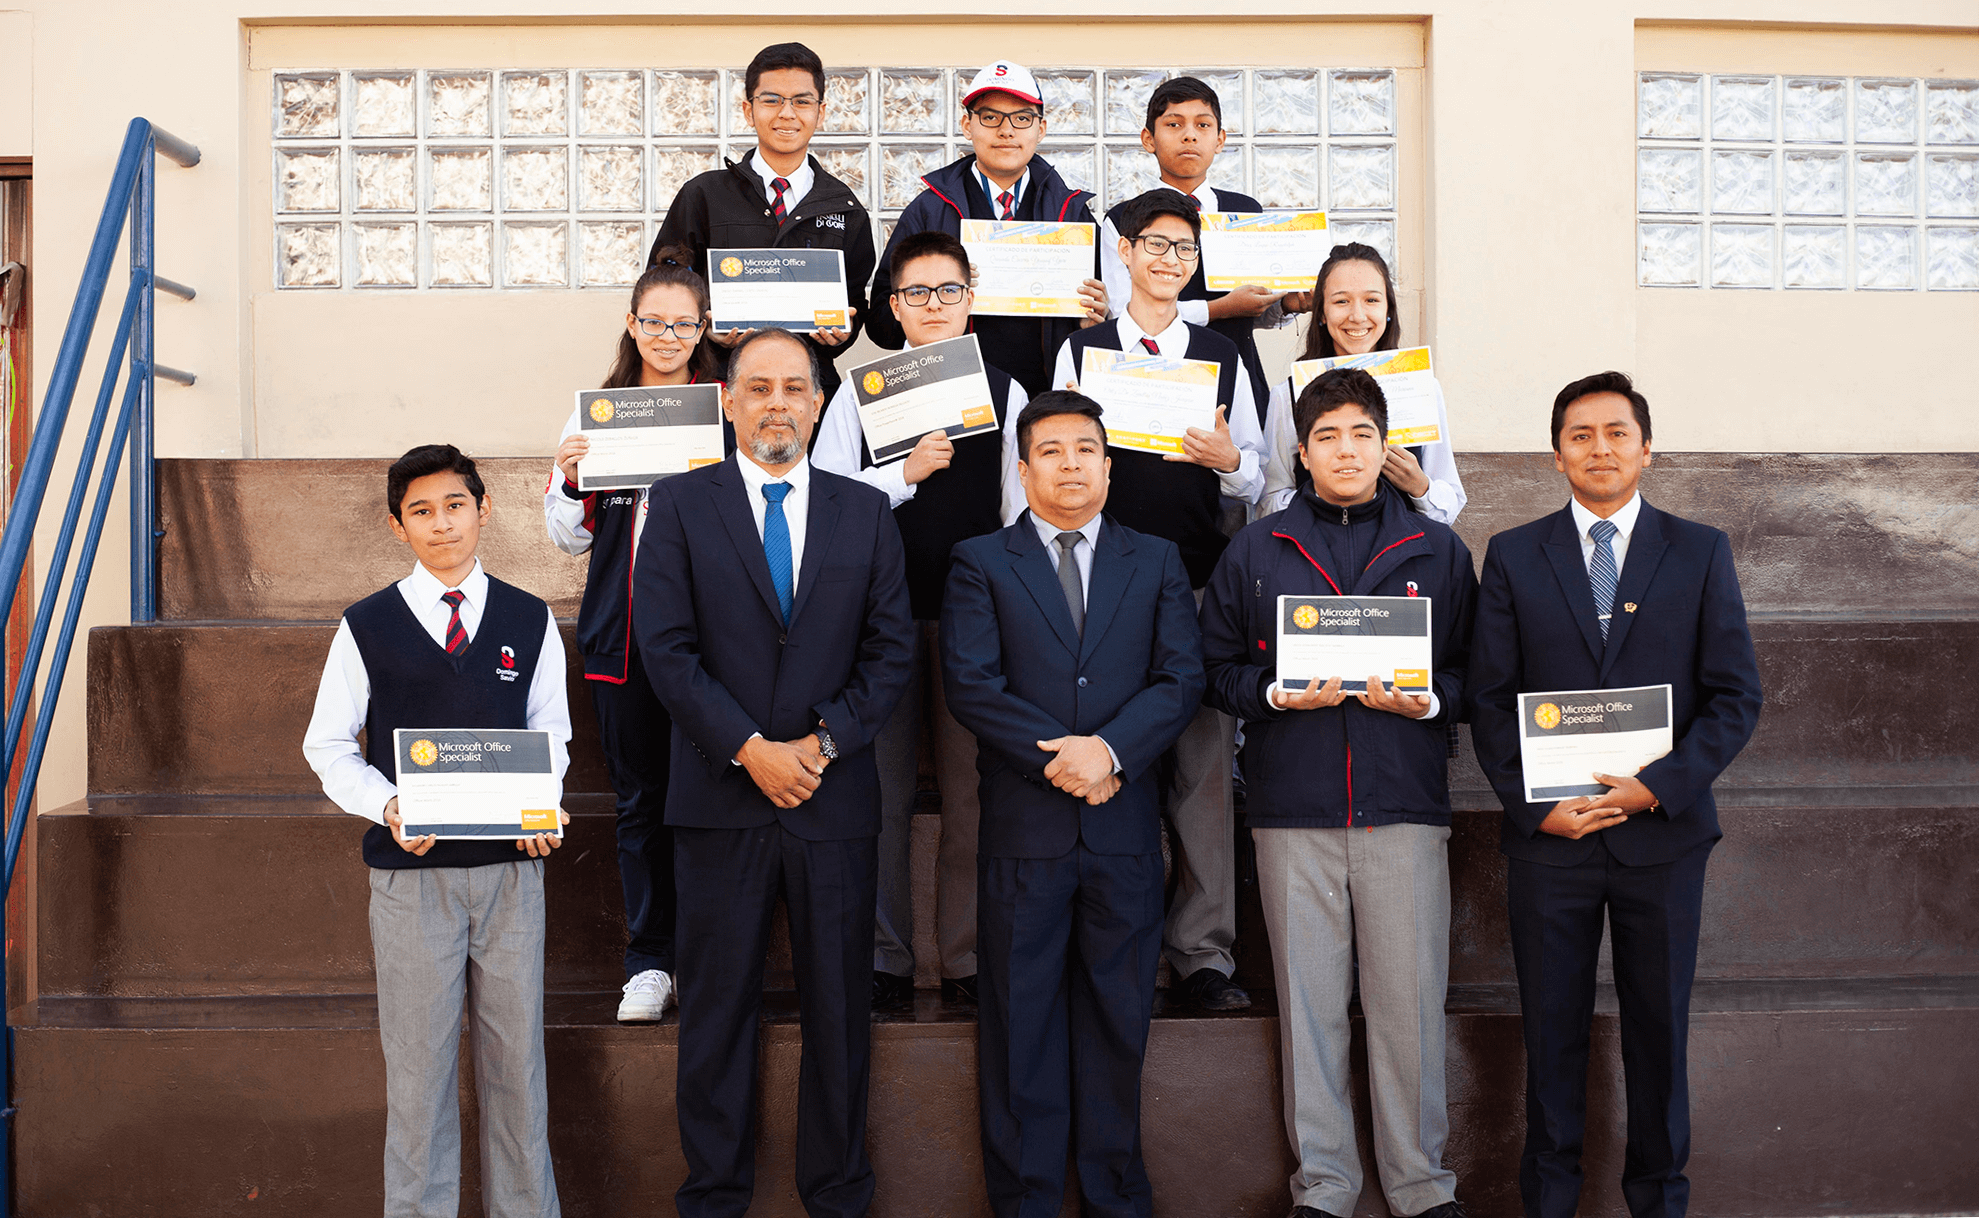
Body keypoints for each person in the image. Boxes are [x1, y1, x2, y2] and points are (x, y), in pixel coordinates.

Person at [634, 327, 914, 1218]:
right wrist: (750, 748)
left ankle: (837, 1194)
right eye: (758, 388)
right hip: (721, 798)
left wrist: (820, 747)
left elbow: (891, 650)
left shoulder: (864, 510)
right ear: (728, 402)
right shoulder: (679, 505)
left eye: (795, 387)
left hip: (834, 800)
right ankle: (713, 1197)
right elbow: (665, 649)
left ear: (820, 403)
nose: (777, 404)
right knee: (716, 1015)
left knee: (840, 1015)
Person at [1468, 372, 1762, 1218]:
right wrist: (1535, 808)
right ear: (1555, 455)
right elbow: (1489, 698)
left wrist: (1653, 789)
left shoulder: (1698, 549)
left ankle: (1659, 1202)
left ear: (1645, 448)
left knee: (1657, 1037)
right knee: (1549, 1036)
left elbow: (1734, 696)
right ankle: (1548, 1202)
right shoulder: (1513, 554)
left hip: (1660, 840)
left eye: (1615, 432)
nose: (1599, 448)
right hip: (1551, 842)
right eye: (1580, 435)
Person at [1198, 369, 1475, 1218]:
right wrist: (1273, 693)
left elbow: (1475, 674)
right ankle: (1323, 1186)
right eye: (1327, 436)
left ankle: (1420, 1186)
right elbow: (1214, 669)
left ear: (1386, 447)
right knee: (1308, 1008)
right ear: (1302, 452)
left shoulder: (1438, 551)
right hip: (1293, 810)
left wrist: (1428, 700)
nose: (1345, 451)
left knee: (1408, 1009)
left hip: (1403, 809)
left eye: (1361, 434)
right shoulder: (1256, 550)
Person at [940, 390, 1204, 1218]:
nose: (1070, 465)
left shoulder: (1155, 559)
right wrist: (1067, 759)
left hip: (1122, 828)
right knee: (1019, 1028)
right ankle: (1025, 1200)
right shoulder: (980, 561)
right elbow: (972, 685)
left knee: (1117, 1025)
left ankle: (1114, 1197)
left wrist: (1109, 751)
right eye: (1050, 451)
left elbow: (1180, 678)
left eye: (1085, 449)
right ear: (1022, 471)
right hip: (1025, 832)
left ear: (1108, 465)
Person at [303, 444, 572, 1218]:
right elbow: (327, 745)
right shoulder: (367, 625)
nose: (441, 523)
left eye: (455, 505)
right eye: (420, 511)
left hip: (511, 872)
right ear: (398, 526)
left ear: (483, 510)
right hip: (411, 880)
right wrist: (389, 804)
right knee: (419, 1077)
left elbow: (551, 734)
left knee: (518, 1072)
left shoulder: (527, 618)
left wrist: (542, 805)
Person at [1033, 185, 1263, 1012]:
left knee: (1201, 770)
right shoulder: (1082, 349)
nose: (1170, 260)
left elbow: (1259, 478)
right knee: (1108, 754)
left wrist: (1226, 460)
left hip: (1198, 582)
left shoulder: (1222, 354)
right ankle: (1108, 941)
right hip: (1102, 587)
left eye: (1184, 249)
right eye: (1155, 245)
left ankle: (1203, 956)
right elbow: (1055, 459)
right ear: (1124, 252)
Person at [812, 229, 1028, 1011]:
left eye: (948, 291)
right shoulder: (859, 392)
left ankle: (966, 957)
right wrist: (901, 476)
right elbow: (826, 504)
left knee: (972, 793)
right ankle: (883, 959)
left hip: (975, 621)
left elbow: (1019, 515)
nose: (933, 306)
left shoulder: (1005, 392)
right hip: (879, 621)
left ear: (971, 301)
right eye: (915, 293)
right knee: (880, 793)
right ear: (893, 307)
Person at [544, 247, 720, 1023]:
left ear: (702, 328)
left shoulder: (724, 409)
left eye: (683, 324)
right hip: (622, 643)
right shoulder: (599, 413)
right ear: (631, 323)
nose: (668, 336)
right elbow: (567, 538)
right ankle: (649, 962)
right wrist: (570, 478)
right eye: (654, 322)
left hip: (714, 645)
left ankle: (709, 958)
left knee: (713, 800)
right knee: (641, 803)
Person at [866, 59, 1107, 397]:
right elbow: (882, 322)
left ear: (1041, 129)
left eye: (1022, 118)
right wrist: (936, 294)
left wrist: (1093, 320)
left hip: (1047, 399)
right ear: (968, 125)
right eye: (990, 117)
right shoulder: (930, 210)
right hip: (950, 395)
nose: (1006, 131)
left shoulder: (1071, 213)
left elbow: (1108, 323)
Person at [650, 42, 873, 403]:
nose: (787, 113)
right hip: (721, 386)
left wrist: (842, 333)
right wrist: (704, 327)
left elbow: (855, 300)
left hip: (807, 391)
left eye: (801, 101)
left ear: (821, 112)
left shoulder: (845, 208)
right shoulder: (704, 195)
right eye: (771, 100)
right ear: (748, 110)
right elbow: (664, 285)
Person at [1099, 75, 1291, 421]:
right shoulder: (1122, 219)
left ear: (1220, 140)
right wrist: (1220, 309)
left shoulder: (1245, 213)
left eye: (1203, 125)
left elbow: (1255, 308)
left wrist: (1289, 303)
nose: (1189, 135)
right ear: (1148, 139)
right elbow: (1122, 312)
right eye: (1174, 124)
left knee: (1241, 453)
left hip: (1238, 373)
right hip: (1152, 378)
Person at [1260, 242, 1465, 522]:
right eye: (1341, 301)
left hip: (1400, 544)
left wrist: (1420, 486)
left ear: (1388, 309)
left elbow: (1450, 507)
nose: (1357, 316)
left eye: (1371, 300)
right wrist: (1327, 493)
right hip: (1314, 546)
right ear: (1322, 313)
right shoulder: (1288, 395)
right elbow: (1268, 502)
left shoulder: (1422, 388)